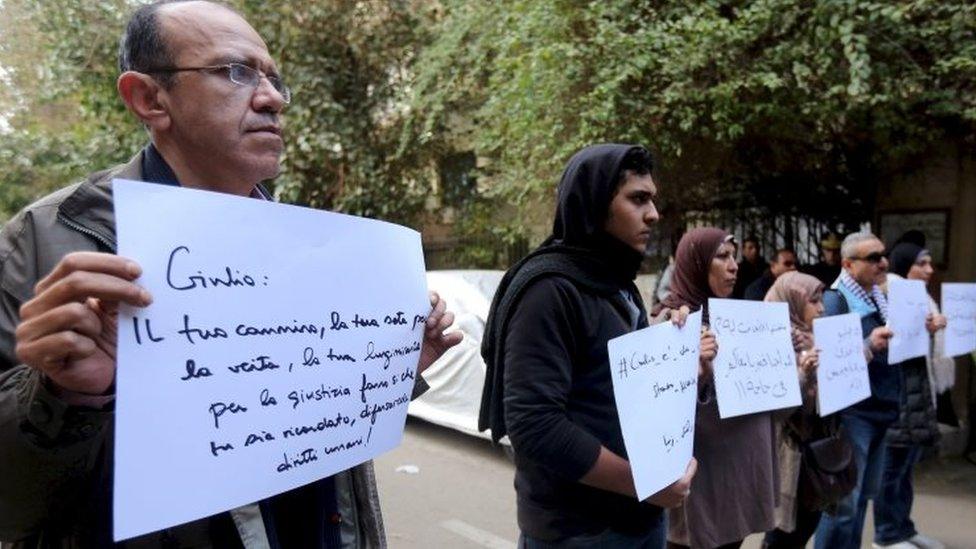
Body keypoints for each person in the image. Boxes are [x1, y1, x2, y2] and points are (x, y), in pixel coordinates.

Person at [0, 2, 461, 547]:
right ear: (149, 98)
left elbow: (293, 412)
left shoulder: (309, 246)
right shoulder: (45, 243)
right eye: (235, 72)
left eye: (274, 79)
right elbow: (13, 503)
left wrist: (386, 368)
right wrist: (65, 396)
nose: (272, 98)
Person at [479, 144, 697, 548]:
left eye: (652, 199)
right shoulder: (549, 291)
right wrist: (642, 484)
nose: (654, 213)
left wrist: (669, 348)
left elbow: (611, 380)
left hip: (640, 523)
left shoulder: (615, 283)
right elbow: (535, 425)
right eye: (637, 199)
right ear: (595, 205)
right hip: (580, 533)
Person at [656, 228, 778, 549]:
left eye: (734, 256)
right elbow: (658, 412)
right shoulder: (671, 324)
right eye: (722, 257)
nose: (734, 265)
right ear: (695, 263)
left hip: (738, 478)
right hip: (700, 485)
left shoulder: (735, 319)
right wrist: (694, 368)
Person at [814, 232, 896, 549]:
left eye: (883, 255)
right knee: (844, 505)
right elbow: (830, 360)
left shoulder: (879, 296)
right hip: (854, 416)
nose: (883, 262)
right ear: (848, 264)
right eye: (873, 257)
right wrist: (868, 345)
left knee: (861, 501)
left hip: (880, 410)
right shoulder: (836, 302)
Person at [873, 242, 946, 549]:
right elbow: (889, 342)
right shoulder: (887, 294)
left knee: (904, 469)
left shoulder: (921, 298)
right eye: (923, 264)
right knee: (891, 469)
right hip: (897, 396)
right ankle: (886, 535)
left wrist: (929, 329)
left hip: (915, 393)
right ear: (905, 266)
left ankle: (903, 528)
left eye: (930, 263)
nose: (929, 270)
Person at [761, 272, 827, 549]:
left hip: (812, 453)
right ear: (793, 302)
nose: (822, 308)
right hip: (783, 453)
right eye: (814, 301)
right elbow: (776, 407)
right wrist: (803, 374)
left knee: (807, 522)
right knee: (783, 532)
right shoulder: (767, 340)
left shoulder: (814, 339)